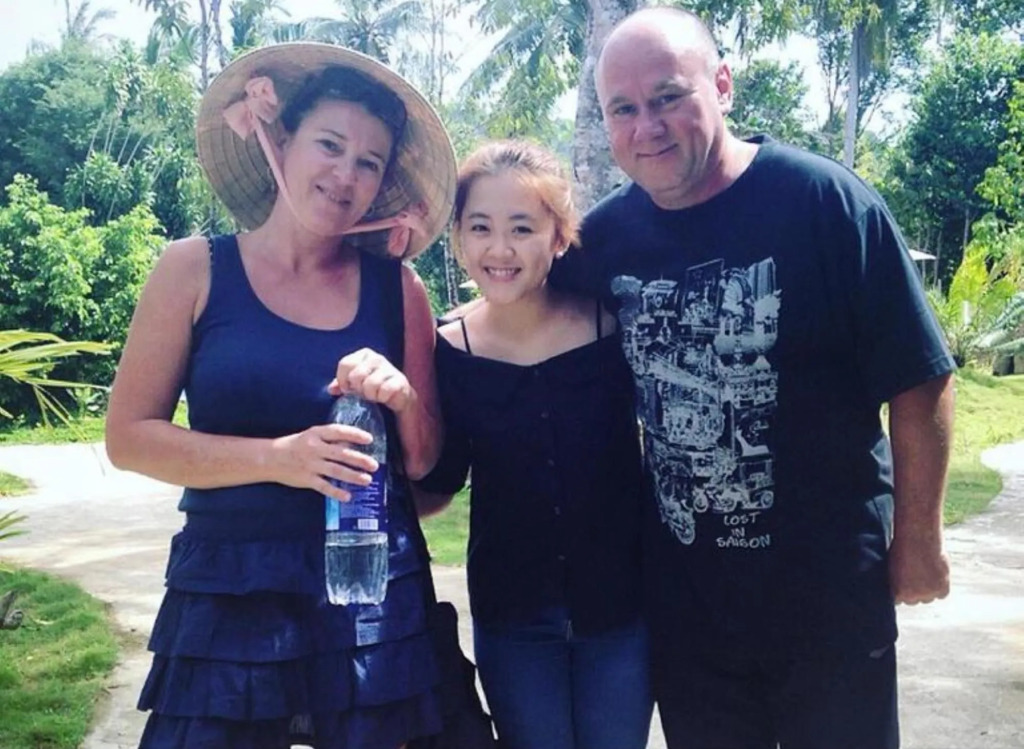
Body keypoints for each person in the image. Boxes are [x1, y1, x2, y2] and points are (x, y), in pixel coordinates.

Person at [549, 7, 956, 749]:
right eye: (623, 109)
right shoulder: (602, 240)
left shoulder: (825, 203)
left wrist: (919, 538)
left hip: (830, 597)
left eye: (668, 97)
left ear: (723, 85)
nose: (647, 127)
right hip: (689, 610)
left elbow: (919, 376)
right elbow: (520, 312)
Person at [105, 42, 457, 749]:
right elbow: (129, 437)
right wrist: (280, 458)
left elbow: (427, 469)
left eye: (370, 162)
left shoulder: (399, 289)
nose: (345, 174)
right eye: (330, 144)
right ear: (283, 138)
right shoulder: (192, 269)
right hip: (228, 590)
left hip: (368, 594)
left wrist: (402, 400)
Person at [411, 140, 653, 749]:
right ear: (458, 237)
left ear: (559, 236)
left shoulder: (611, 327)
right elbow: (440, 480)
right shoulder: (448, 350)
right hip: (512, 616)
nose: (500, 249)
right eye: (481, 227)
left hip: (622, 611)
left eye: (522, 228)